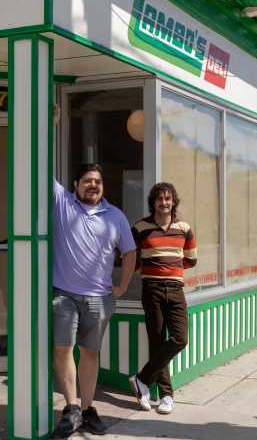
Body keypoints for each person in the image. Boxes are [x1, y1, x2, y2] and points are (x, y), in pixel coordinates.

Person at [52, 163, 136, 438]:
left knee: (90, 352)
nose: (93, 185)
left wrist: (122, 285)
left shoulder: (115, 216)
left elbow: (129, 251)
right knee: (63, 348)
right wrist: (50, 121)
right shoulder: (63, 203)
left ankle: (88, 408)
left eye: (97, 182)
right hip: (64, 294)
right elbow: (40, 167)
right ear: (76, 184)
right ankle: (71, 407)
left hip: (100, 298)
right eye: (87, 180)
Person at [129, 183, 197, 415]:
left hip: (176, 290)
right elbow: (132, 258)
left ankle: (141, 379)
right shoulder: (140, 227)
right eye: (159, 199)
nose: (164, 203)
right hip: (152, 290)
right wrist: (151, 270)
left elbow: (191, 260)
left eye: (168, 199)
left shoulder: (184, 228)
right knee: (157, 342)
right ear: (153, 202)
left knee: (180, 338)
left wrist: (170, 269)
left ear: (173, 201)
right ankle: (166, 395)